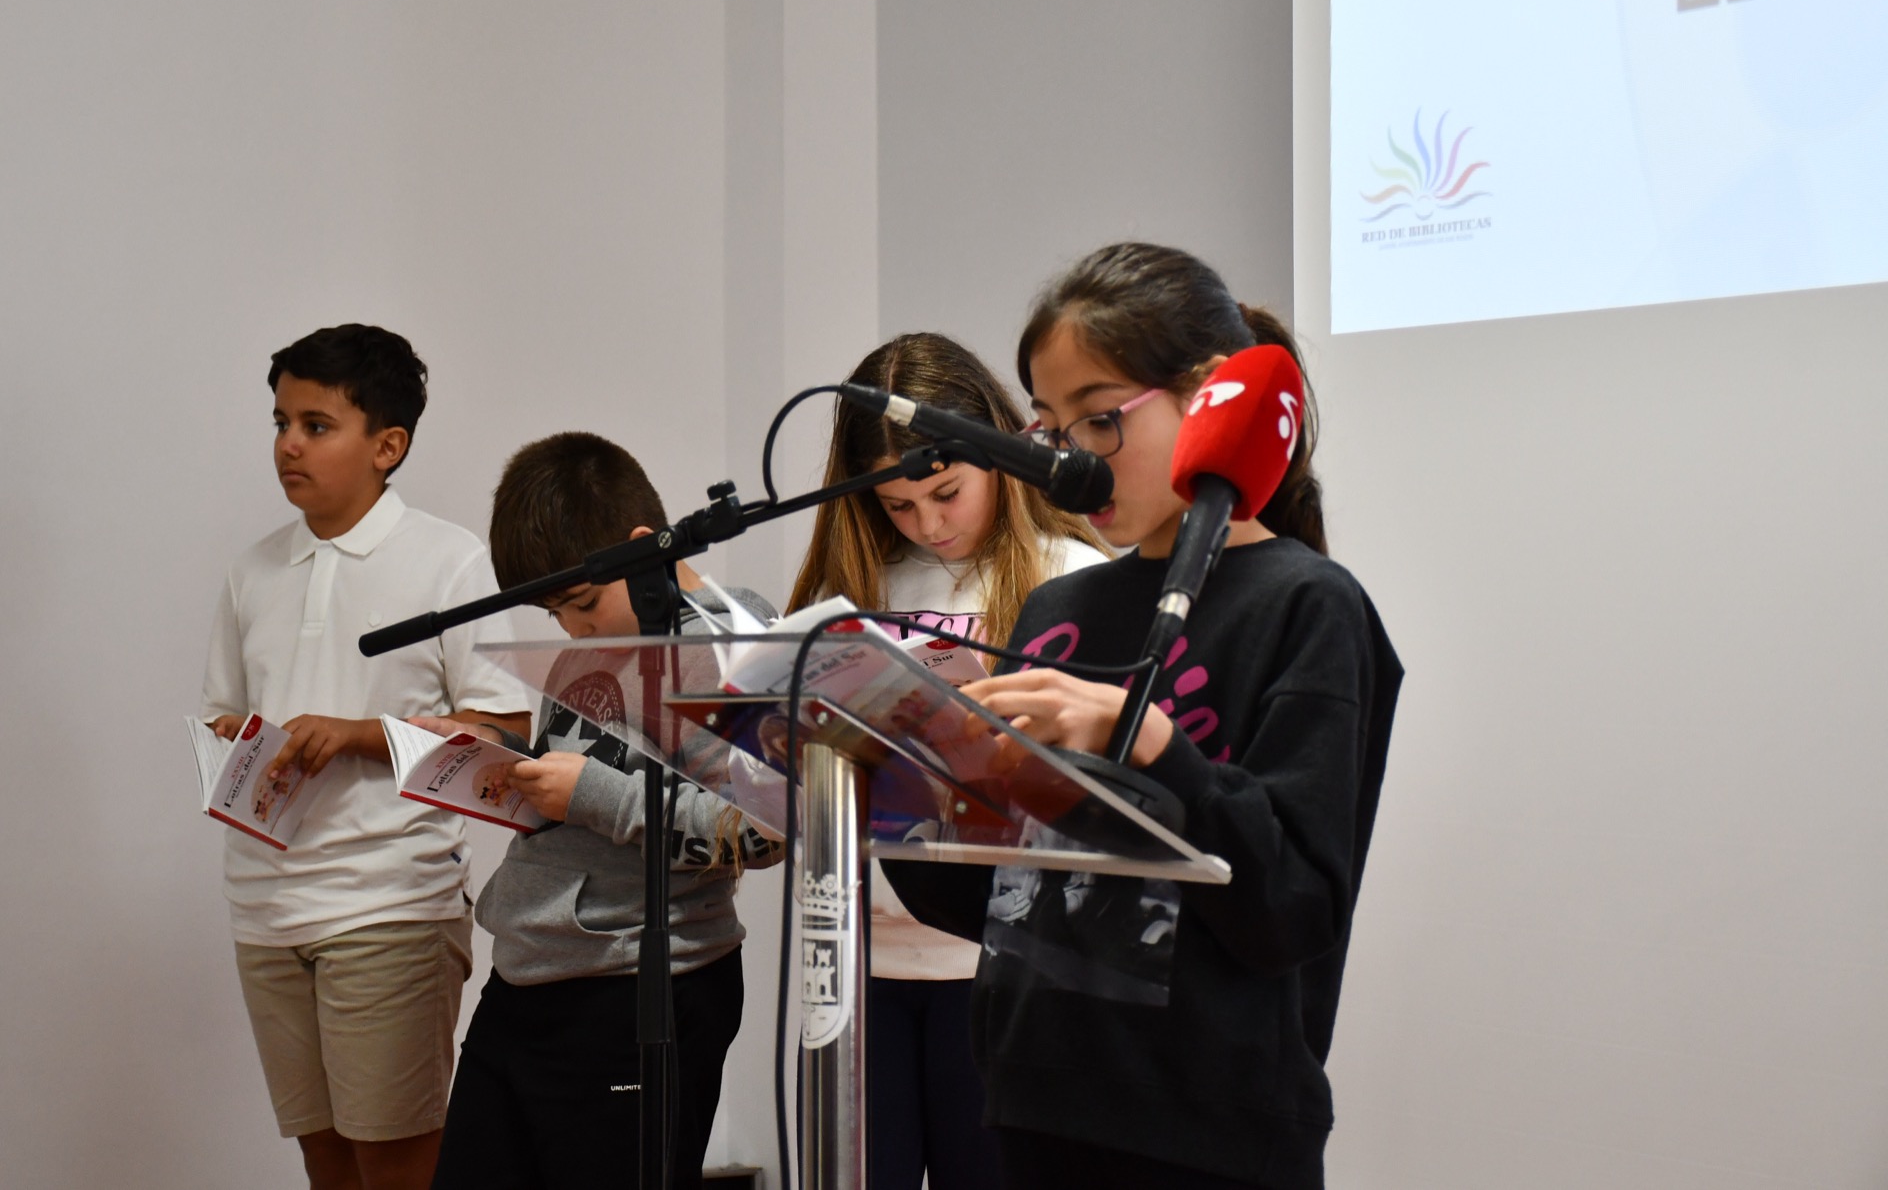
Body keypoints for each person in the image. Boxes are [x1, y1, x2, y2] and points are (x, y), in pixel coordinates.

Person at [884, 243, 1402, 1190]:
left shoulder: (1309, 605)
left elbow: (1293, 904)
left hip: (1204, 1128)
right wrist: (893, 781)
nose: (1070, 461)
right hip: (1035, 1103)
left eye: (1100, 418)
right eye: (1052, 428)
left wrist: (1152, 740)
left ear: (1215, 395)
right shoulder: (1058, 610)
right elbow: (998, 894)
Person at [199, 324, 531, 1190]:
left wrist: (360, 734)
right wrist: (241, 741)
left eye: (316, 425)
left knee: (396, 1161)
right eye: (280, 422)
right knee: (325, 1156)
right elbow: (223, 712)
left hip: (390, 902)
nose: (288, 445)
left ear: (388, 445)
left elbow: (504, 732)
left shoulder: (448, 559)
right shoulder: (253, 570)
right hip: (264, 907)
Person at [425, 431, 784, 1190]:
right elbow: (577, 788)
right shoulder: (585, 648)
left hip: (640, 983)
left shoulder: (731, 638)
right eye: (556, 612)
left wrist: (591, 794)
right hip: (528, 970)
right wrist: (491, 761)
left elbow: (762, 830)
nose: (574, 628)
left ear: (640, 544)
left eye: (583, 603)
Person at [789, 332, 1107, 1190]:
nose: (929, 524)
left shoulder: (1075, 577)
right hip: (857, 960)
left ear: (1000, 452)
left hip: (1003, 966)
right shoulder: (852, 589)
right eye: (897, 505)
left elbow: (1105, 790)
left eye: (946, 492)